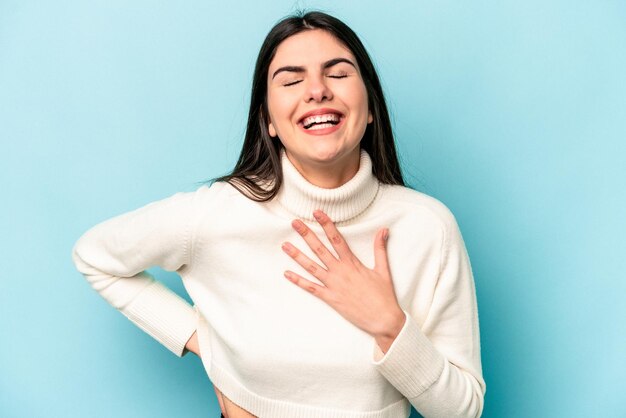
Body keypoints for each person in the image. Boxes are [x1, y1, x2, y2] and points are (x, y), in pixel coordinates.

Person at [72, 10, 486, 418]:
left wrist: (390, 326)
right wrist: (210, 347)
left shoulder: (428, 228)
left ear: (372, 106)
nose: (317, 90)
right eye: (291, 80)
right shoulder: (219, 213)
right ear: (268, 119)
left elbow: (463, 410)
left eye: (338, 74)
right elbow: (94, 256)